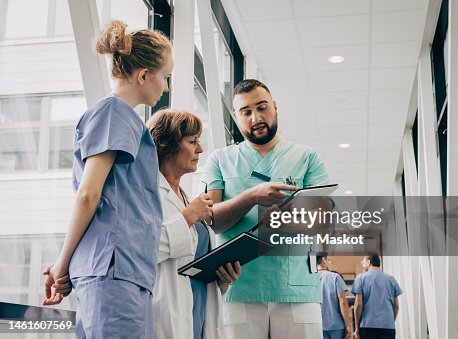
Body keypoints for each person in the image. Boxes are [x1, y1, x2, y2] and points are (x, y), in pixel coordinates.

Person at [41, 20, 173, 338]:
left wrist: (67, 265)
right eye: (166, 77)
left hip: (124, 272)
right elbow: (89, 194)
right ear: (143, 75)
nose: (167, 87)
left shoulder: (123, 119)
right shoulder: (113, 113)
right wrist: (61, 264)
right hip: (113, 271)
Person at [202, 79, 329, 339]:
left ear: (275, 107)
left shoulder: (307, 157)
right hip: (237, 288)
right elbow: (212, 220)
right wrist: (250, 197)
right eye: (246, 112)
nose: (256, 117)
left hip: (296, 289)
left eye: (262, 107)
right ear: (237, 118)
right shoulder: (220, 160)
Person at [147, 109, 241, 339]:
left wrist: (221, 278)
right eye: (192, 142)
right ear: (165, 145)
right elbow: (140, 250)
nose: (200, 149)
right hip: (166, 315)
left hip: (198, 314)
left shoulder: (187, 197)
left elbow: (192, 267)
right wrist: (188, 216)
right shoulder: (147, 194)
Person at [352, 253, 402, 339]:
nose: (361, 262)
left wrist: (357, 327)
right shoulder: (391, 279)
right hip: (388, 326)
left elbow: (358, 304)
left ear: (369, 262)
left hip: (367, 326)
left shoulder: (361, 278)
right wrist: (389, 322)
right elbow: (396, 306)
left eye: (363, 260)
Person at [316, 253, 351, 339]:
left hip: (318, 325)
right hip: (336, 326)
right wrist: (348, 324)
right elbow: (343, 302)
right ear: (324, 259)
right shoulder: (335, 277)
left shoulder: (310, 278)